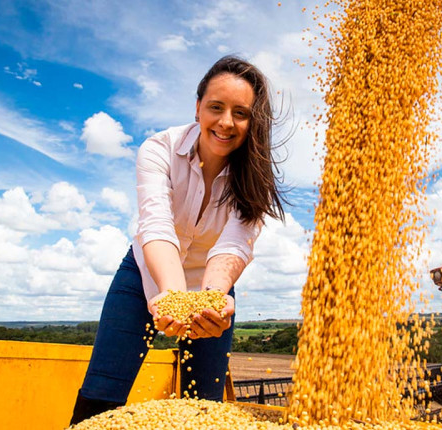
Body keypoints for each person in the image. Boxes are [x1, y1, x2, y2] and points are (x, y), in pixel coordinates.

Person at [69, 56, 286, 425]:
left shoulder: (255, 178)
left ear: (253, 121)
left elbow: (233, 246)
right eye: (216, 107)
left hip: (211, 290)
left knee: (205, 406)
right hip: (142, 277)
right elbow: (156, 225)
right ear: (198, 106)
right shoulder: (159, 149)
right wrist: (170, 294)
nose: (226, 122)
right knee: (102, 393)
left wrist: (212, 300)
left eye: (241, 113)